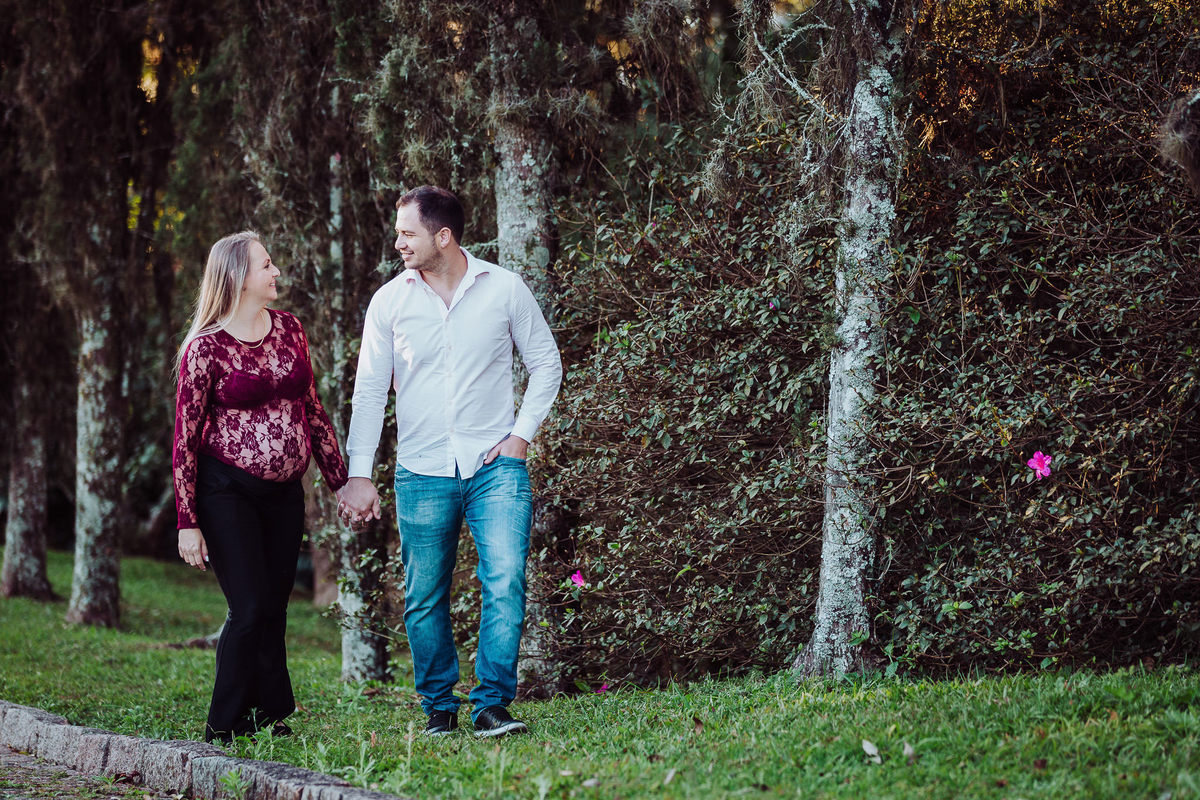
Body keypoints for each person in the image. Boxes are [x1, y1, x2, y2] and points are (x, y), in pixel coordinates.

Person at [338, 186, 562, 738]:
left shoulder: (504, 289)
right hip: (421, 470)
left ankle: (491, 705)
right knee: (423, 596)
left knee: (505, 580)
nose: (398, 243)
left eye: (407, 233)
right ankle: (439, 706)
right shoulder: (389, 302)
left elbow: (546, 363)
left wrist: (521, 437)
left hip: (495, 467)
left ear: (443, 236)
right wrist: (359, 473)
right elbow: (370, 393)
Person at [173, 231, 349, 743]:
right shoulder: (205, 349)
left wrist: (340, 482)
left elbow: (312, 410)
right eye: (265, 265)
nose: (275, 272)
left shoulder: (290, 329)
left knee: (273, 606)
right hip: (226, 490)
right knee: (248, 607)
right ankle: (222, 726)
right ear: (237, 277)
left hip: (284, 493)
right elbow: (184, 440)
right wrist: (188, 523)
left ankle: (268, 716)